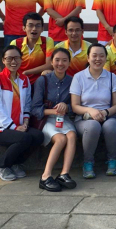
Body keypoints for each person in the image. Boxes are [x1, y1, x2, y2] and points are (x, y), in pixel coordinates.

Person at [0, 45, 44, 181]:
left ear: (21, 60)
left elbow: (27, 103)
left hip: (19, 125)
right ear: (3, 60)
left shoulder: (24, 80)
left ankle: (16, 163)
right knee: (24, 138)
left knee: (39, 136)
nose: (13, 61)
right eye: (9, 58)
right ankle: (1, 166)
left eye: (17, 58)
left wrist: (26, 121)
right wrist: (14, 127)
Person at [70, 44, 116, 178]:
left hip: (107, 115)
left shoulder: (112, 77)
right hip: (84, 118)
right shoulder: (78, 77)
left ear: (105, 59)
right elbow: (75, 106)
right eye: (94, 56)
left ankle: (113, 160)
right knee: (93, 126)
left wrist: (105, 112)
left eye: (101, 56)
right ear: (88, 58)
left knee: (111, 126)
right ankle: (88, 162)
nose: (98, 59)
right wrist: (90, 110)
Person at [31, 48, 77, 192]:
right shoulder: (43, 80)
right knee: (61, 139)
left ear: (69, 63)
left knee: (72, 135)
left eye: (64, 60)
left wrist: (66, 107)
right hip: (46, 119)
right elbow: (35, 108)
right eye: (57, 60)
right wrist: (53, 111)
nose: (60, 64)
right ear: (51, 62)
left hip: (63, 118)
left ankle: (64, 174)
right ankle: (45, 176)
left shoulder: (72, 81)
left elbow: (75, 105)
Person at [11, 12, 54, 85]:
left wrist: (27, 72)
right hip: (20, 79)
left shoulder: (47, 41)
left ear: (42, 29)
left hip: (40, 80)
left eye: (38, 26)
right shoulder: (15, 43)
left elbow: (49, 65)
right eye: (30, 25)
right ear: (24, 28)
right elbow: (10, 64)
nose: (34, 29)